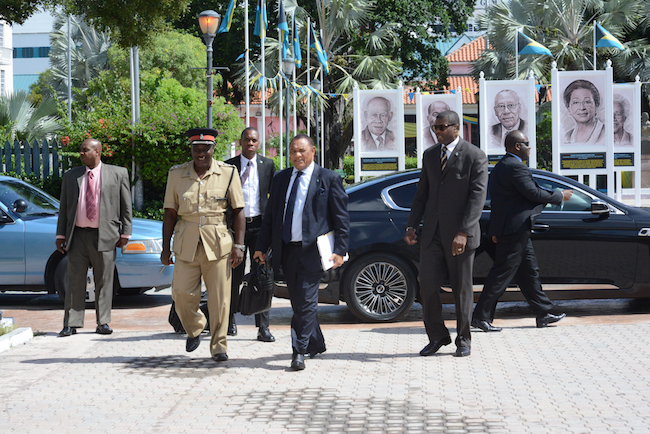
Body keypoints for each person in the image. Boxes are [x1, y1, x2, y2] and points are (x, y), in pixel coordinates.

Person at [254, 134, 350, 371]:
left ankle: (299, 350)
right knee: (299, 303)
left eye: (302, 151)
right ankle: (316, 343)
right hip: (287, 250)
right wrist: (260, 247)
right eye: (293, 151)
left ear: (313, 151)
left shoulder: (329, 179)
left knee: (307, 301)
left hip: (313, 252)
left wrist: (340, 250)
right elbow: (271, 218)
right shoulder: (281, 179)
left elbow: (342, 219)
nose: (297, 155)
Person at [404, 110, 488, 358]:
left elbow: (477, 199)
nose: (437, 132)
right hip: (432, 235)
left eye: (442, 127)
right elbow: (422, 194)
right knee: (427, 287)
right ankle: (437, 336)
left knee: (462, 290)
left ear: (456, 127)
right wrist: (411, 225)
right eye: (435, 128)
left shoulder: (475, 156)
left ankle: (464, 340)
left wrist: (464, 231)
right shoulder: (430, 156)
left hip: (460, 237)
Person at [472, 130, 571, 332]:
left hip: (514, 228)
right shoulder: (515, 167)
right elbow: (533, 193)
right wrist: (559, 195)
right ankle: (480, 316)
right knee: (502, 273)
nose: (530, 147)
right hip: (514, 229)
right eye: (527, 143)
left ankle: (544, 313)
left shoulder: (503, 166)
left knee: (528, 272)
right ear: (517, 146)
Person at [161, 128, 245, 362]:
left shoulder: (228, 173)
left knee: (220, 298)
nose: (201, 153)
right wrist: (165, 248)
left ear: (212, 149)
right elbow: (170, 212)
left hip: (218, 241)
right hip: (186, 240)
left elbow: (238, 211)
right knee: (180, 292)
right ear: (191, 150)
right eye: (196, 149)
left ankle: (219, 346)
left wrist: (239, 245)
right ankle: (196, 326)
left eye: (205, 149)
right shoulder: (177, 174)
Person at [56, 138, 132, 337]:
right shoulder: (71, 176)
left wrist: (125, 232)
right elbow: (64, 208)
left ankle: (103, 322)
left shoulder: (118, 174)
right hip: (78, 235)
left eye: (85, 150)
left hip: (105, 234)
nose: (81, 153)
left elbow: (126, 206)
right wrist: (60, 234)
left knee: (104, 280)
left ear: (97, 151)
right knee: (74, 280)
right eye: (80, 150)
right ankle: (71, 323)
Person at [225, 127, 276, 342]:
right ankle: (229, 321)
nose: (251, 144)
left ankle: (262, 326)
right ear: (241, 142)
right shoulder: (229, 166)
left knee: (261, 276)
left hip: (259, 228)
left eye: (254, 140)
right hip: (235, 228)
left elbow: (273, 197)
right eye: (247, 140)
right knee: (233, 276)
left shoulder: (267, 165)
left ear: (259, 143)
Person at [563, 80, 605, 145]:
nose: (582, 108)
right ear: (568, 108)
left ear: (596, 105)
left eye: (587, 102)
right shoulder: (567, 136)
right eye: (576, 102)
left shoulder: (607, 132)